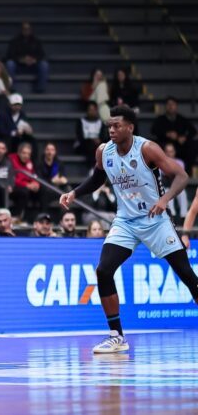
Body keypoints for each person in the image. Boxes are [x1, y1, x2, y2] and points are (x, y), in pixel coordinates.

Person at [60, 105, 198, 353]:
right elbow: (97, 179)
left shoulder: (147, 148)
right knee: (103, 270)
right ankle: (116, 336)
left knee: (186, 273)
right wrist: (74, 192)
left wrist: (164, 200)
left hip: (155, 219)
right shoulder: (104, 151)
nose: (111, 130)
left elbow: (182, 176)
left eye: (116, 126)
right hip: (125, 221)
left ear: (130, 127)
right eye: (109, 126)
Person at [5, 22, 48, 93]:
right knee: (10, 64)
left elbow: (42, 55)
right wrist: (21, 59)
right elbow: (9, 55)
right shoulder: (15, 41)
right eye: (24, 29)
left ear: (31, 30)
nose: (26, 31)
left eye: (28, 29)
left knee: (44, 65)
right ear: (21, 30)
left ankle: (40, 88)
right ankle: (11, 87)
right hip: (19, 66)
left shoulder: (36, 41)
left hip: (33, 66)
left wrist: (34, 60)